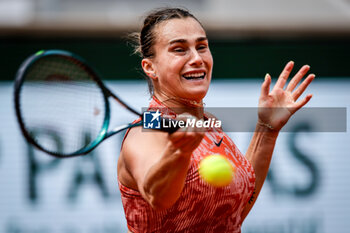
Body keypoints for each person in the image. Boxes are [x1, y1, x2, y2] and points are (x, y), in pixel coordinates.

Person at [117, 7, 315, 233]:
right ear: (150, 67)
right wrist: (179, 154)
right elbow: (157, 196)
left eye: (201, 47)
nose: (196, 58)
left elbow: (233, 214)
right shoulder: (146, 130)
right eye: (179, 49)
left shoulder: (208, 123)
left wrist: (267, 129)